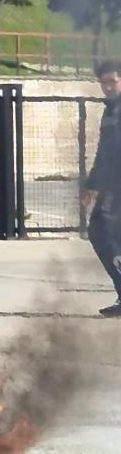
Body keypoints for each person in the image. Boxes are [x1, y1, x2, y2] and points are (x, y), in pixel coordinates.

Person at [82, 60, 121, 317]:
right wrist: (91, 184)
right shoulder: (110, 111)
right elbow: (104, 150)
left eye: (112, 81)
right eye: (103, 83)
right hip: (111, 183)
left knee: (102, 230)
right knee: (103, 232)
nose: (107, 87)